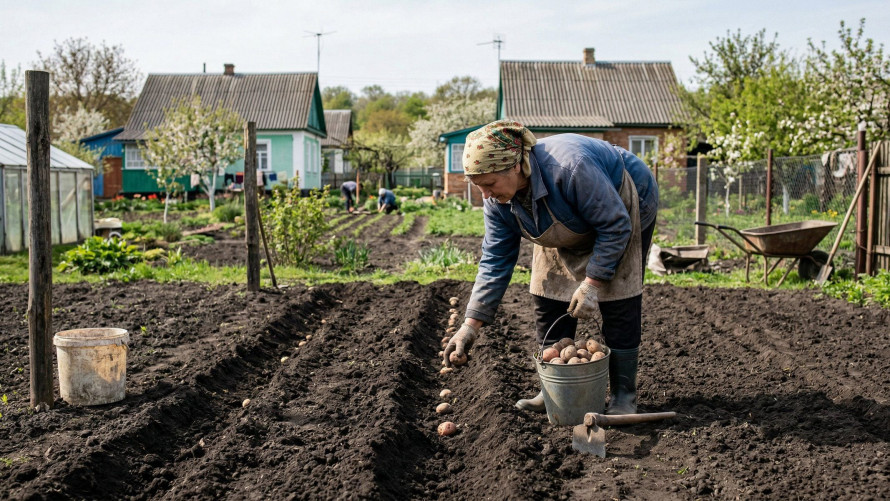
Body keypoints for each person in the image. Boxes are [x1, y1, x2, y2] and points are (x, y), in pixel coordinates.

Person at [442, 120, 658, 416]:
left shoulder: (570, 168)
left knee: (618, 294)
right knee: (547, 291)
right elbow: (495, 258)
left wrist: (592, 284)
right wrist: (469, 326)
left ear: (515, 166)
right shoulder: (497, 201)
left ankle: (624, 396)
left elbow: (614, 225)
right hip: (562, 214)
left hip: (623, 198)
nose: (487, 195)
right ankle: (554, 390)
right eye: (479, 187)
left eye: (490, 184)